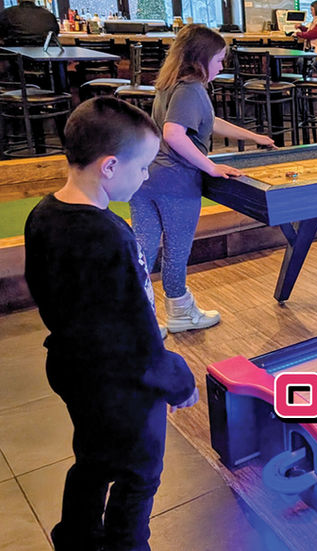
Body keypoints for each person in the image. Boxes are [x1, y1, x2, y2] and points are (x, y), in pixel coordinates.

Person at [23, 96, 198, 551]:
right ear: (109, 166)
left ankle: (77, 538)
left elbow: (45, 294)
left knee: (93, 460)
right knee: (140, 474)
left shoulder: (42, 214)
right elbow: (137, 331)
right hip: (123, 385)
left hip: (72, 369)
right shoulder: (109, 236)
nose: (145, 177)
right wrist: (176, 381)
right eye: (142, 168)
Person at [129, 24, 274, 335]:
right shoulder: (191, 89)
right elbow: (174, 133)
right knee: (176, 252)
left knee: (143, 251)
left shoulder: (170, 83)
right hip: (176, 184)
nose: (222, 66)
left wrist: (253, 137)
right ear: (202, 58)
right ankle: (181, 312)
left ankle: (138, 320)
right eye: (220, 59)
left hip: (145, 181)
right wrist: (209, 167)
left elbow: (208, 120)